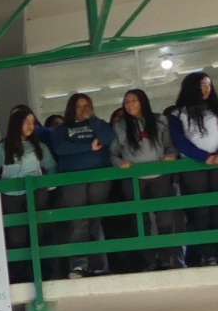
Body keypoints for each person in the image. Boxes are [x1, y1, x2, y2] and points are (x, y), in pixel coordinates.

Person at [111, 88, 183, 271]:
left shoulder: (159, 120)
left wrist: (171, 155)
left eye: (133, 100)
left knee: (165, 220)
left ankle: (166, 259)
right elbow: (112, 154)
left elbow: (171, 146)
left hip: (160, 176)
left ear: (143, 101)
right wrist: (120, 163)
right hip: (134, 179)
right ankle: (149, 261)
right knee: (140, 222)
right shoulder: (120, 126)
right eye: (126, 102)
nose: (129, 105)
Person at [48, 92, 115, 277]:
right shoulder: (62, 129)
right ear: (71, 108)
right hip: (72, 179)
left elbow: (108, 138)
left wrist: (92, 119)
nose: (82, 109)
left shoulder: (99, 124)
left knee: (95, 219)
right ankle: (78, 265)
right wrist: (88, 147)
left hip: (99, 176)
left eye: (86, 106)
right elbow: (60, 148)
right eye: (78, 106)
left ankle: (99, 265)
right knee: (78, 220)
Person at [0, 106, 57, 282]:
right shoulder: (1, 148)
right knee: (16, 237)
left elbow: (51, 168)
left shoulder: (40, 147)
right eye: (26, 122)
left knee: (38, 233)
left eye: (32, 122)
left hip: (36, 194)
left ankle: (41, 274)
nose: (31, 126)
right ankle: (19, 277)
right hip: (10, 196)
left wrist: (47, 187)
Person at [168, 71, 218, 266]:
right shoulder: (178, 113)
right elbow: (179, 140)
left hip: (216, 163)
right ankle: (207, 253)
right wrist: (203, 157)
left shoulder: (215, 108)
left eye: (209, 84)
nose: (207, 89)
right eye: (202, 85)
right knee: (200, 210)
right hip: (193, 165)